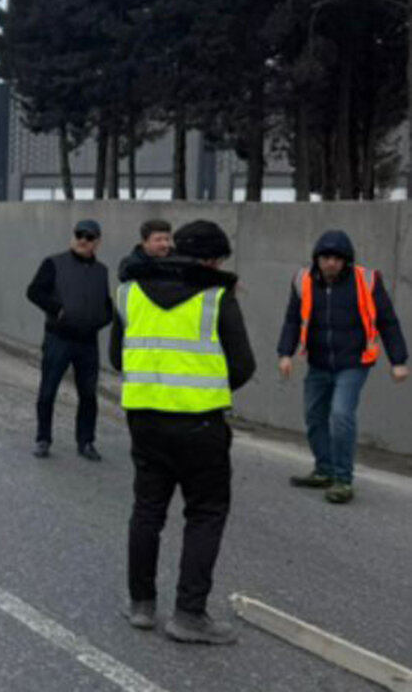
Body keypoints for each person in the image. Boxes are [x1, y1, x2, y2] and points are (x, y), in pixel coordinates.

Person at [110, 220, 255, 644]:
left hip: (145, 421)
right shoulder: (216, 296)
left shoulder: (129, 292)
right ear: (210, 260)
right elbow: (243, 365)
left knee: (147, 510)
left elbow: (118, 358)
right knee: (206, 514)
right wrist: (204, 384)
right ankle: (189, 615)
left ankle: (141, 605)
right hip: (200, 423)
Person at [276, 230, 408, 503]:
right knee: (314, 417)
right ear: (317, 259)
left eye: (337, 258)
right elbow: (292, 319)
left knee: (340, 416)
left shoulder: (367, 280)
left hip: (354, 362)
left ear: (346, 260)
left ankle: (342, 480)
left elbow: (388, 321)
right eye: (325, 257)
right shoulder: (303, 280)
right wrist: (285, 353)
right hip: (318, 362)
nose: (331, 263)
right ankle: (324, 469)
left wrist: (398, 361)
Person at [25, 218, 112, 460]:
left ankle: (86, 442)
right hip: (58, 338)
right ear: (72, 237)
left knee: (88, 394)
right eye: (79, 235)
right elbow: (34, 291)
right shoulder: (53, 263)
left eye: (90, 237)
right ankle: (43, 439)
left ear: (98, 242)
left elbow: (106, 303)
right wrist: (58, 310)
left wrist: (103, 318)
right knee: (48, 391)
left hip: (87, 342)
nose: (83, 240)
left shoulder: (101, 271)